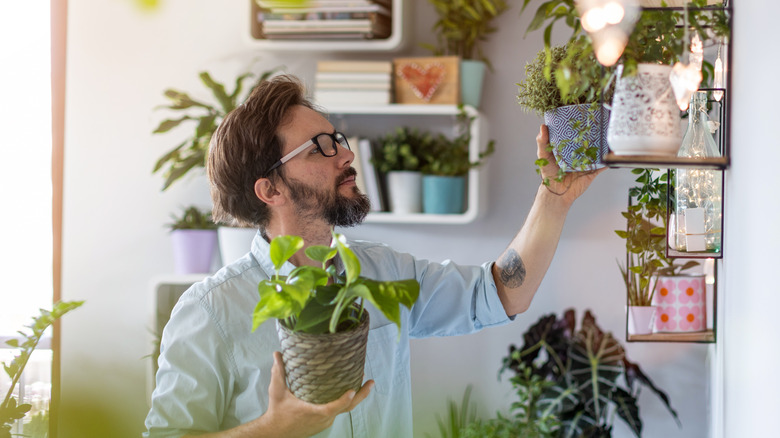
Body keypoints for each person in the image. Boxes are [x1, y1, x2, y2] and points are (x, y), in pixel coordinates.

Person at [144, 74, 600, 438]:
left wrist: (554, 198)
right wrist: (273, 430)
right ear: (270, 189)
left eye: (337, 138)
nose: (345, 153)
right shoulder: (209, 313)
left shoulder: (382, 272)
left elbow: (500, 293)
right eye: (320, 148)